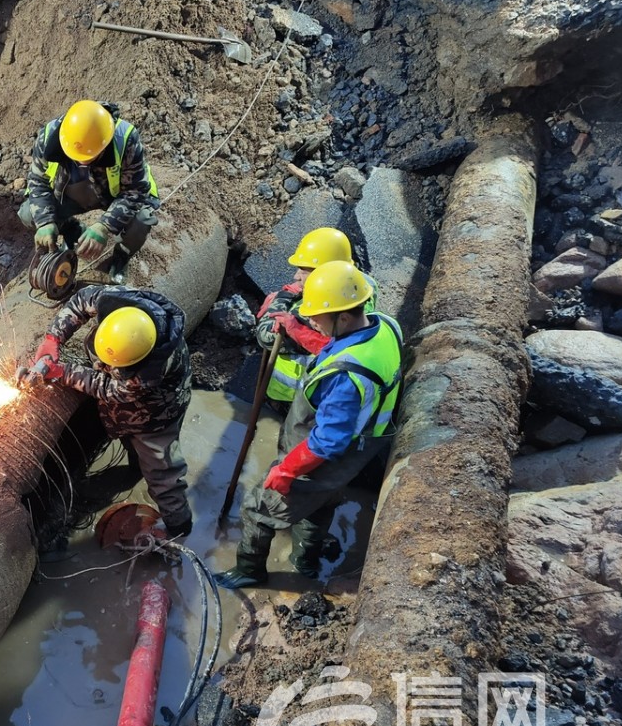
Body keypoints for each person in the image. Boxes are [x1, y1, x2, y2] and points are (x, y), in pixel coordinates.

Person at [216, 260, 403, 589]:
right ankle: (305, 561)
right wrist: (297, 329)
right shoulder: (383, 326)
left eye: (317, 316)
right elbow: (338, 349)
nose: (311, 319)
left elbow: (326, 443)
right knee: (322, 502)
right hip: (358, 447)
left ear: (343, 316)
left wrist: (285, 471)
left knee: (258, 507)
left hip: (326, 454)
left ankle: (250, 570)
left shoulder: (347, 377)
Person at [20, 284, 193, 538]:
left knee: (161, 473)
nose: (101, 365)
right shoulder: (115, 302)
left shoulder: (149, 373)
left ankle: (180, 525)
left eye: (111, 364)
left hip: (155, 416)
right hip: (120, 405)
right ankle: (128, 471)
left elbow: (109, 389)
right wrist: (53, 338)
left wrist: (63, 372)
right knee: (119, 441)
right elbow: (79, 301)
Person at [19, 100, 159, 284]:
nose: (83, 162)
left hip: (114, 194)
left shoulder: (125, 138)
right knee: (29, 213)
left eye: (91, 156)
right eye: (77, 157)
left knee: (143, 220)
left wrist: (104, 226)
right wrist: (45, 222)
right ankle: (72, 230)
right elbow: (37, 181)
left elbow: (136, 191)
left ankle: (121, 256)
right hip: (72, 192)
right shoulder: (49, 137)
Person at [256, 227, 377, 407]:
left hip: (297, 397)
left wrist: (283, 298)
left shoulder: (320, 315)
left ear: (324, 274)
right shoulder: (363, 285)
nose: (296, 276)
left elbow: (265, 336)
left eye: (303, 270)